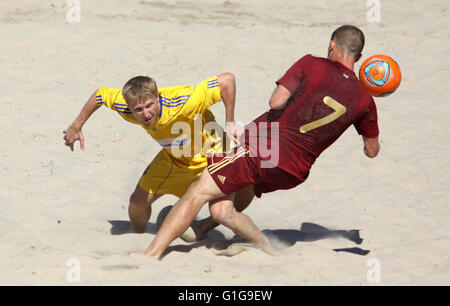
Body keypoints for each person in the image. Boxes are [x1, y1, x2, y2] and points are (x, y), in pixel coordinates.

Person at [139, 25, 381, 259]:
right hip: (294, 171)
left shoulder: (312, 63)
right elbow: (372, 151)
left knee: (199, 190)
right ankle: (262, 246)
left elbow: (276, 102)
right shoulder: (365, 101)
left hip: (266, 148)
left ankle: (151, 254)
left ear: (331, 44)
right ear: (359, 57)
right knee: (227, 204)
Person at [63, 72, 254, 234]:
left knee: (222, 209)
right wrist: (76, 125)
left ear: (157, 97)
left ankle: (202, 228)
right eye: (139, 109)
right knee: (137, 202)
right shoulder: (124, 105)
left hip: (213, 155)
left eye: (149, 105)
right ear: (129, 107)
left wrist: (230, 122)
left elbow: (227, 80)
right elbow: (100, 95)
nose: (145, 113)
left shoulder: (183, 100)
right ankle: (137, 235)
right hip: (176, 158)